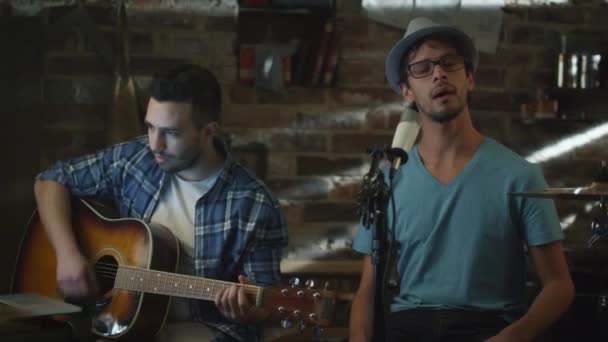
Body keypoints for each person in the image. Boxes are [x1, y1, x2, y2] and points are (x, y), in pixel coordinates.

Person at [349, 17, 574, 342]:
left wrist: (511, 338)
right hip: (408, 328)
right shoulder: (387, 181)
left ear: (469, 78)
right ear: (407, 92)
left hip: (488, 328)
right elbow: (367, 292)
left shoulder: (519, 176)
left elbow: (559, 286)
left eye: (449, 63)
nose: (439, 73)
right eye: (422, 68)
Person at [33, 64, 288, 342]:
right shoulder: (134, 159)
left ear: (208, 131)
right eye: (151, 127)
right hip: (119, 318)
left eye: (172, 133)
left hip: (204, 328)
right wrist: (67, 254)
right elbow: (50, 180)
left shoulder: (255, 205)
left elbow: (264, 304)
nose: (155, 144)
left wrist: (245, 310)